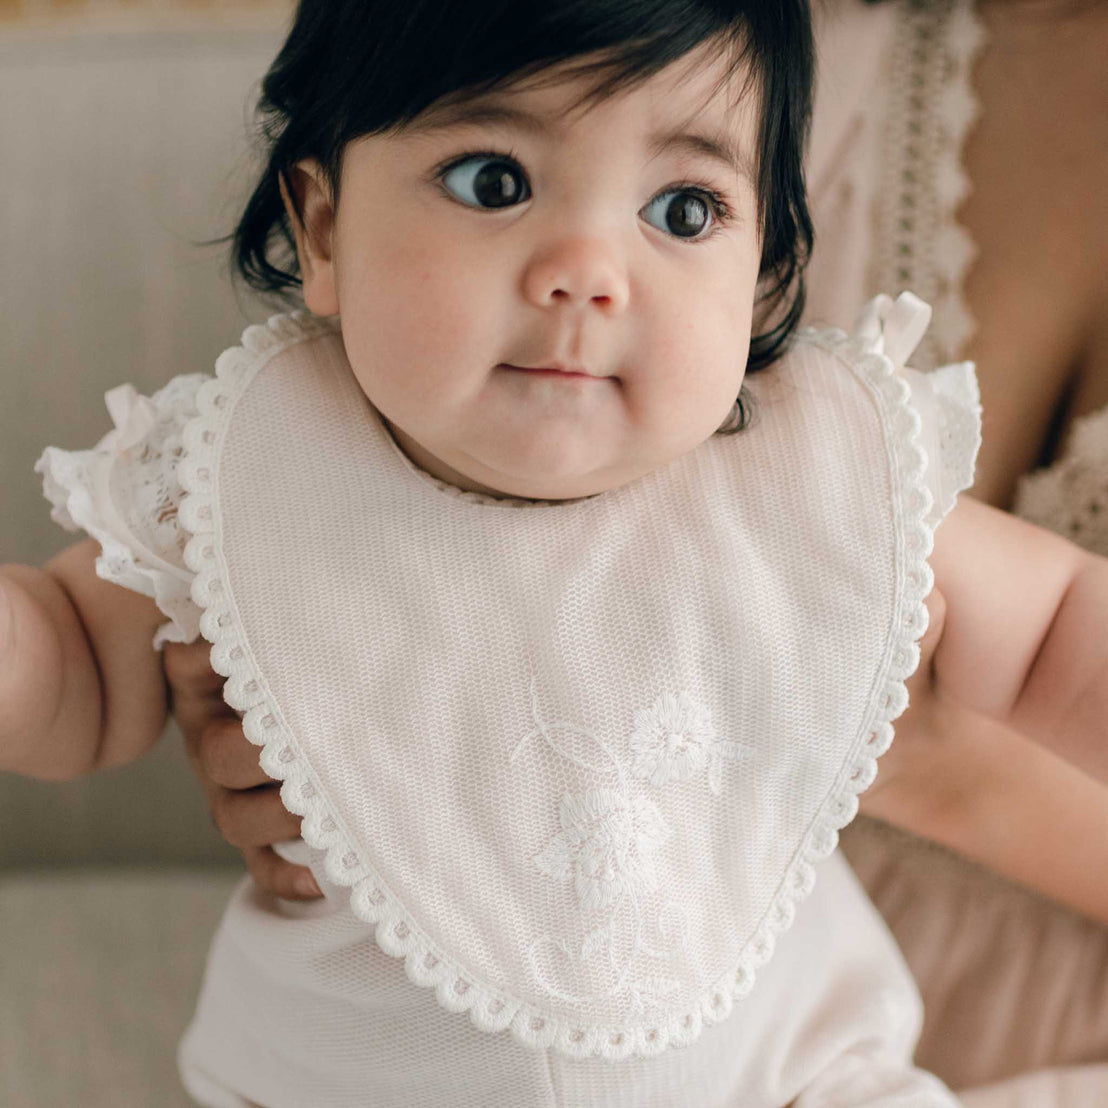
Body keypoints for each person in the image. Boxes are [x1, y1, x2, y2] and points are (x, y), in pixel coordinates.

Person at [3, 2, 1107, 1106]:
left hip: (783, 1076)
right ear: (324, 228)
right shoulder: (240, 464)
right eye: (494, 180)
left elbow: (1057, 631)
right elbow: (77, 669)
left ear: (766, 270)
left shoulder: (806, 474)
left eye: (681, 210)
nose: (586, 270)